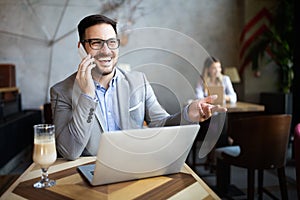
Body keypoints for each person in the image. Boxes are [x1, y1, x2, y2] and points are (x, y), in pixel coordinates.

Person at [50, 14, 226, 160]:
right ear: (82, 48)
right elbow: (69, 152)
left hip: (135, 165)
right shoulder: (61, 91)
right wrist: (87, 95)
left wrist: (188, 114)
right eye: (96, 43)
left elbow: (160, 123)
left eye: (111, 42)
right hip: (88, 171)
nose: (106, 51)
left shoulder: (138, 81)